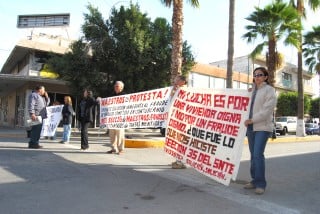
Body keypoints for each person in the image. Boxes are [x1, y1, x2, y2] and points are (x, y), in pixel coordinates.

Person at [243, 67, 277, 195]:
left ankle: (261, 184)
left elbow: (267, 111)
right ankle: (254, 180)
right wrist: (248, 93)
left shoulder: (270, 91)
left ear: (266, 77)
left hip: (262, 126)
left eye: (260, 75)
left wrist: (252, 120)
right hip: (251, 127)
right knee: (253, 155)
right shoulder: (252, 91)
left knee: (258, 154)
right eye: (255, 75)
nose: (257, 77)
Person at [169, 75, 188, 169]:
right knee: (178, 140)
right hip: (178, 119)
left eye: (177, 79)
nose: (175, 81)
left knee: (181, 141)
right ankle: (179, 161)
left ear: (183, 81)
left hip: (182, 120)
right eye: (175, 79)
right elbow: (172, 98)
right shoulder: (178, 89)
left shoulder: (184, 90)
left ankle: (180, 162)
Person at [106, 81, 126, 154]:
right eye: (115, 86)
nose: (115, 87)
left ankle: (121, 149)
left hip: (120, 118)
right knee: (112, 134)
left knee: (120, 134)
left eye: (117, 86)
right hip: (112, 118)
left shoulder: (125, 95)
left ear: (121, 87)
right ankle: (113, 148)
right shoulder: (112, 95)